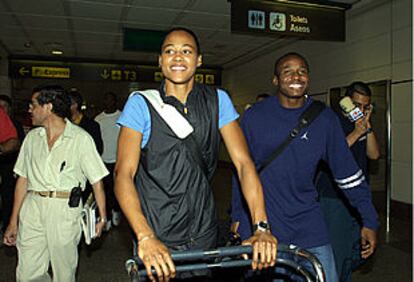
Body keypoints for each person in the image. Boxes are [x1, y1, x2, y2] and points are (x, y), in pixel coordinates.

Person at [115, 27, 277, 282]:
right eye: (170, 51)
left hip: (203, 232)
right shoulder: (141, 104)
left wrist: (261, 226)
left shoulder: (217, 100)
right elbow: (123, 174)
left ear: (199, 60)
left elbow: (244, 164)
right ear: (160, 60)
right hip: (157, 231)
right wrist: (145, 236)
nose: (177, 57)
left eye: (186, 51)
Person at [231, 52, 378, 281]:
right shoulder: (255, 117)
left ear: (308, 77)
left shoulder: (324, 118)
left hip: (310, 224)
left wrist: (368, 219)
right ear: (275, 80)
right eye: (287, 71)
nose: (295, 75)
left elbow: (347, 173)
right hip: (267, 224)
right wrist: (239, 217)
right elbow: (241, 170)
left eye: (301, 71)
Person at [3, 85, 108, 282]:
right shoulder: (32, 139)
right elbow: (23, 180)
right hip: (32, 207)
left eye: (33, 105)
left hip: (64, 209)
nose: (29, 110)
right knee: (27, 273)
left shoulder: (80, 139)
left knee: (63, 272)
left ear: (48, 107)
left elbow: (97, 181)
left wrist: (102, 217)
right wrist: (13, 220)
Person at [316, 81, 380, 281]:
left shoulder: (361, 124)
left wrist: (367, 128)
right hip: (334, 197)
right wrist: (356, 133)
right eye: (356, 104)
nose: (360, 110)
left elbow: (374, 155)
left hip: (358, 197)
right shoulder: (331, 121)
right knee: (337, 251)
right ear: (346, 102)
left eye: (365, 106)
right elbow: (330, 153)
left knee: (352, 251)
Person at [95, 91, 122, 230]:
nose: (108, 103)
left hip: (118, 160)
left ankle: (117, 210)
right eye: (106, 100)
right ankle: (108, 217)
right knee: (105, 190)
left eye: (111, 100)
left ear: (115, 102)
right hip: (103, 160)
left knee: (117, 189)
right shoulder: (99, 119)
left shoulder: (122, 117)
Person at [0, 95, 25, 233]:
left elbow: (16, 143)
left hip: (9, 167)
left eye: (4, 106)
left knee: (8, 196)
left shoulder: (13, 125)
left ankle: (7, 224)